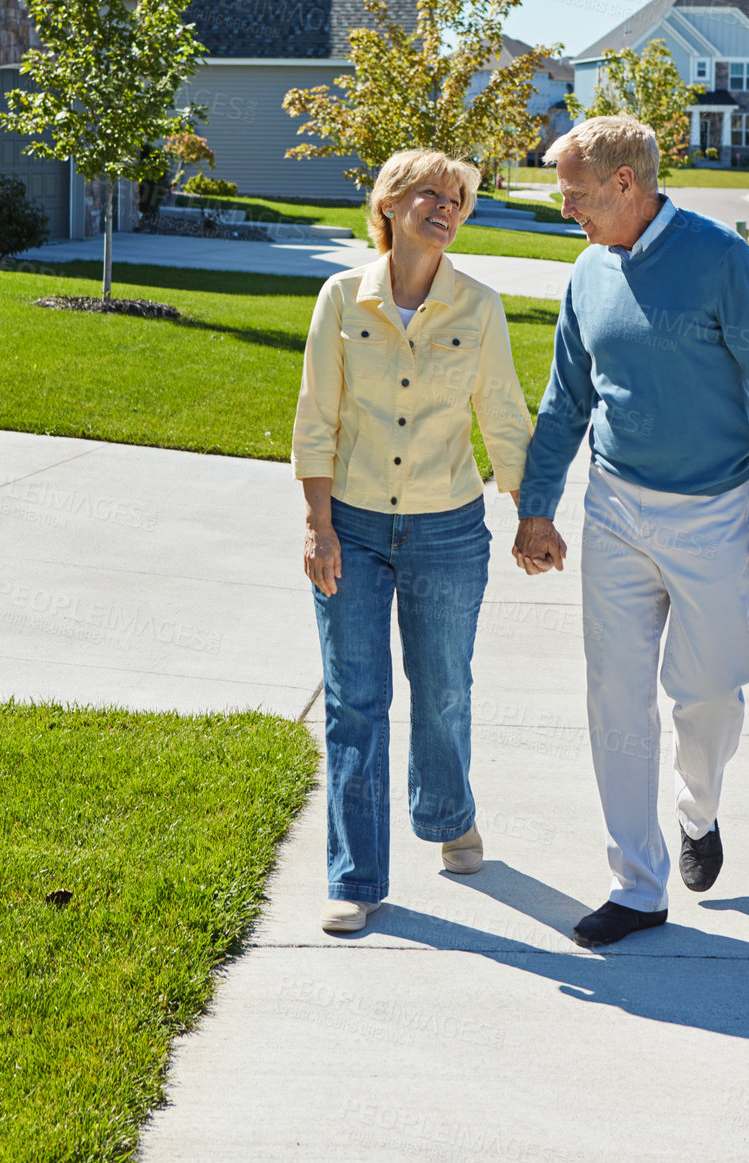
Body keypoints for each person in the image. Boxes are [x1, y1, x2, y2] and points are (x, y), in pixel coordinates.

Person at [512, 115, 749, 950]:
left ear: (625, 184)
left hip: (713, 512)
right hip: (615, 508)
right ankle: (636, 885)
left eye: (573, 191)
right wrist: (539, 506)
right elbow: (566, 399)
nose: (564, 204)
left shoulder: (721, 261)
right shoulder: (588, 270)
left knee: (708, 696)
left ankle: (698, 809)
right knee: (615, 696)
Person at [292, 148, 532, 934]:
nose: (446, 207)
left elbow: (502, 415)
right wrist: (317, 525)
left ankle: (449, 815)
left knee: (443, 691)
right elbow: (315, 419)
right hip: (352, 529)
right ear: (389, 205)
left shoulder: (480, 306)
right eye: (429, 193)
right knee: (355, 704)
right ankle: (356, 875)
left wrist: (533, 515)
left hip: (448, 529)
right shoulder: (340, 298)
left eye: (458, 198)